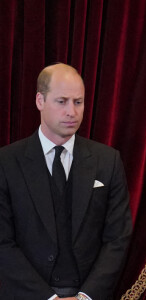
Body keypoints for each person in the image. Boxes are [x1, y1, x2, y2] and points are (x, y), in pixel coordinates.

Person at [0, 63, 132, 300]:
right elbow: (2, 242)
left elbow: (118, 238)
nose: (72, 111)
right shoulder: (6, 162)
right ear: (40, 101)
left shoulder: (108, 161)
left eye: (78, 102)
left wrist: (85, 296)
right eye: (62, 101)